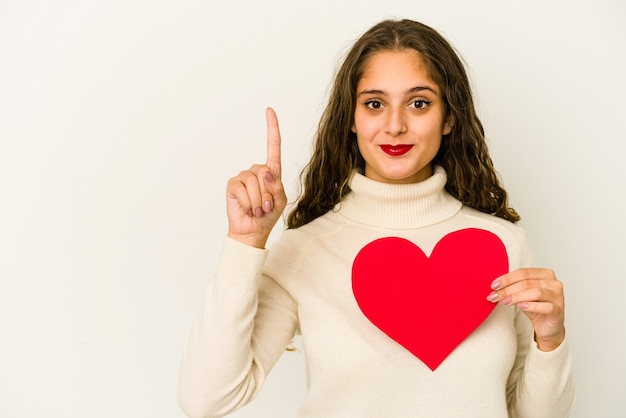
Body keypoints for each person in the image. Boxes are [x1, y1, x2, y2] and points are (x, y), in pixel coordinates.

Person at [178, 19, 574, 417]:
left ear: (449, 117)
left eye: (419, 102)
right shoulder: (305, 251)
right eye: (374, 103)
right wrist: (245, 244)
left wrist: (551, 337)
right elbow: (206, 401)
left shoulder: (503, 244)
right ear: (351, 119)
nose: (395, 125)